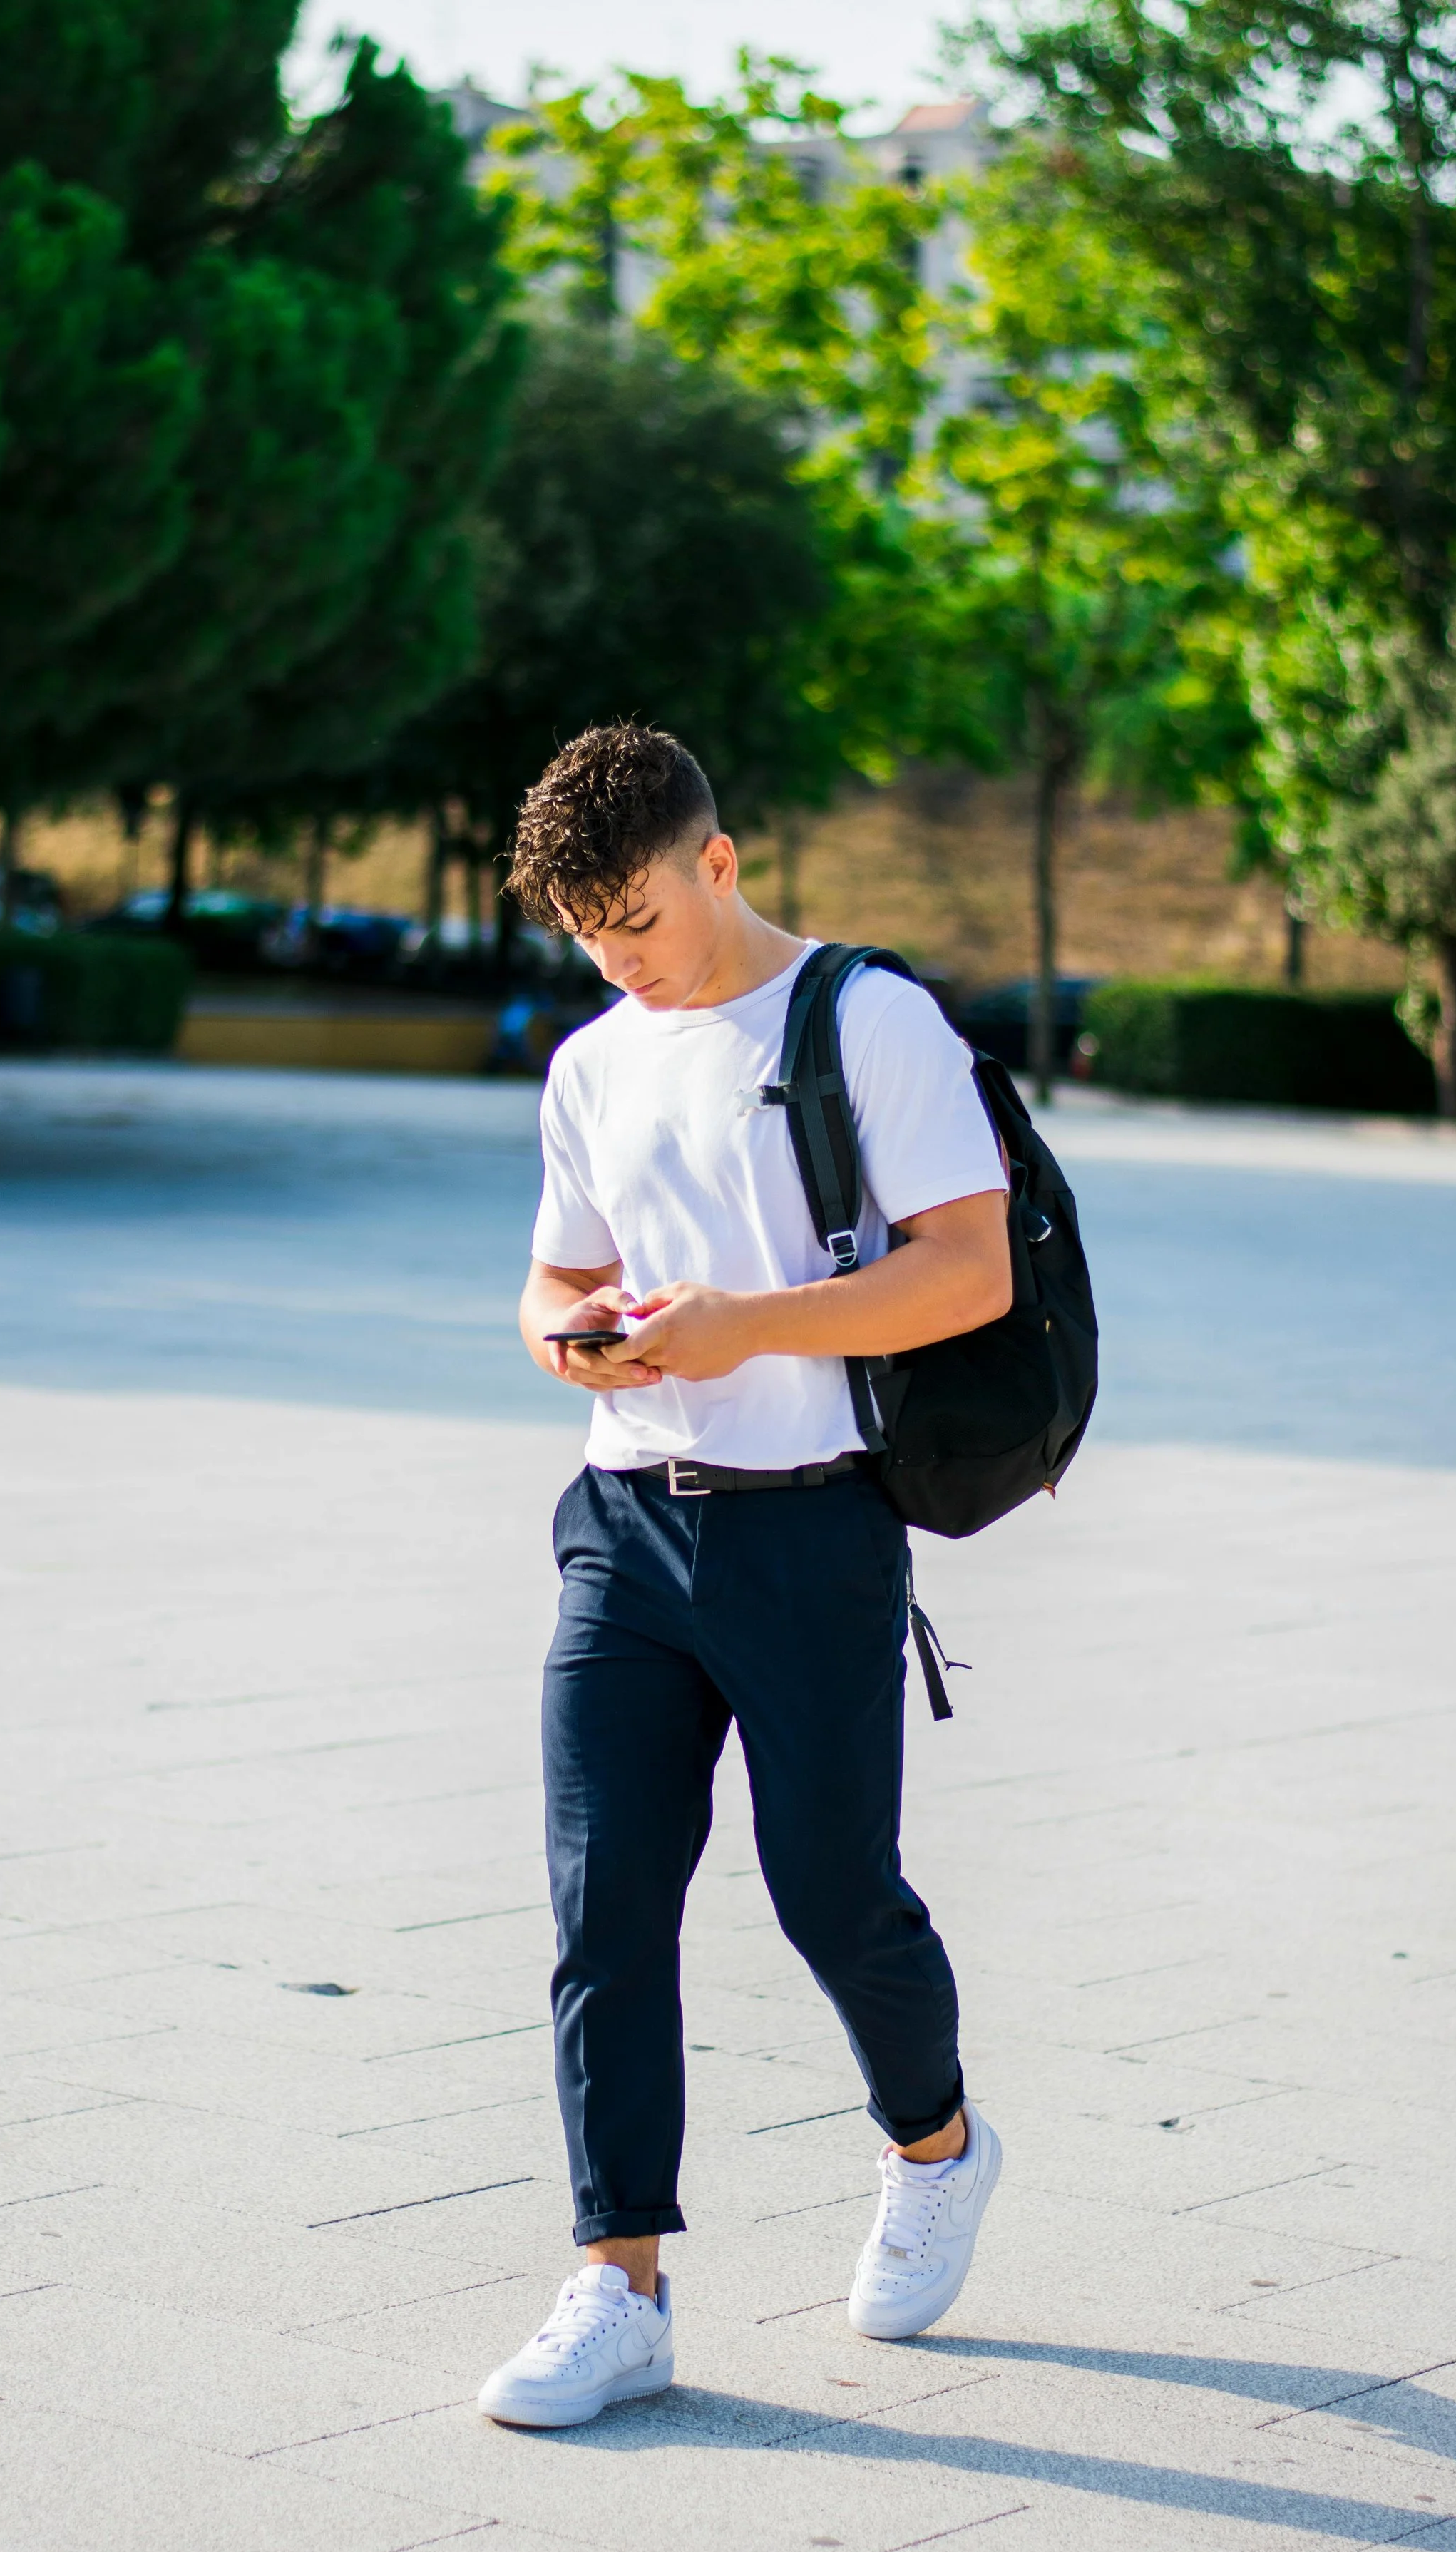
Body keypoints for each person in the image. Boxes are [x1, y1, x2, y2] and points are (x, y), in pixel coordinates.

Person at [478, 724, 1012, 2431]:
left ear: (717, 861)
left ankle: (933, 2144)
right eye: (581, 933)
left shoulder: (866, 1020)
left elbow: (968, 1275)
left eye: (633, 919)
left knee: (829, 1895)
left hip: (809, 1529)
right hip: (624, 1527)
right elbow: (554, 1273)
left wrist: (741, 1326)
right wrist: (571, 1347)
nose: (613, 958)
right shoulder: (591, 1063)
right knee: (601, 1907)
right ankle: (615, 2281)